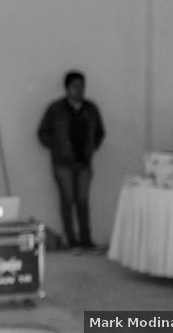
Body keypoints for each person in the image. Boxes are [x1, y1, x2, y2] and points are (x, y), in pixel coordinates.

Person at [37, 70, 105, 250]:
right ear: (67, 88)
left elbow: (99, 132)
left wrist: (92, 148)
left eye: (82, 86)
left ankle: (86, 240)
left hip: (84, 163)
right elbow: (43, 133)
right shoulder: (56, 109)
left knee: (82, 201)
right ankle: (71, 241)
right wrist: (57, 147)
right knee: (67, 201)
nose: (80, 90)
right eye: (76, 86)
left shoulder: (90, 109)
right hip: (63, 164)